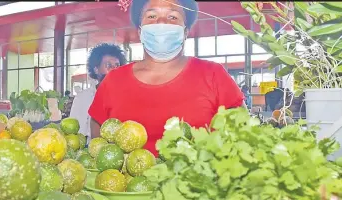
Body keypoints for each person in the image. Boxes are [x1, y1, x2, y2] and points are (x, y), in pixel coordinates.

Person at [89, 0, 246, 156]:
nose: (161, 22)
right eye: (151, 16)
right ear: (139, 30)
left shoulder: (213, 74)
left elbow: (243, 134)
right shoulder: (113, 81)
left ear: (185, 32)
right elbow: (100, 138)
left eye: (172, 17)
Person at [70, 43, 127, 138]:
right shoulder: (83, 97)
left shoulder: (125, 97)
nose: (114, 70)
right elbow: (74, 132)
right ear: (96, 69)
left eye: (117, 65)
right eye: (108, 65)